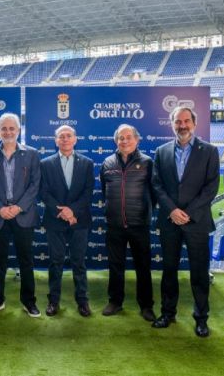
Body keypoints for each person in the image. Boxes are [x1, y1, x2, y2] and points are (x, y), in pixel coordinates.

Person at [151, 107, 220, 337]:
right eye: (177, 121)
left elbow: (211, 187)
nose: (182, 125)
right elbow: (157, 185)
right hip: (170, 221)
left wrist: (187, 212)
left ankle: (201, 318)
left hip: (196, 221)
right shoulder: (161, 152)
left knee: (199, 272)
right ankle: (168, 313)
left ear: (194, 122)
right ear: (172, 124)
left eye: (186, 121)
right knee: (169, 270)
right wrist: (172, 210)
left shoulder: (209, 151)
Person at [0, 113, 41, 317]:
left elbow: (35, 185)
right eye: (3, 129)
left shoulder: (31, 154)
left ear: (18, 130)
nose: (8, 132)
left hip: (22, 215)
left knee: (26, 260)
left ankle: (29, 301)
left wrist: (18, 207)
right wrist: (0, 208)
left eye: (11, 128)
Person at [99, 124, 155, 321]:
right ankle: (115, 302)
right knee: (115, 265)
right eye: (121, 138)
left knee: (143, 266)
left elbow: (154, 193)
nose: (124, 141)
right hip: (114, 225)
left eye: (128, 137)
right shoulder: (107, 162)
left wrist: (143, 213)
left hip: (139, 225)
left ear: (137, 140)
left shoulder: (148, 162)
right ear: (116, 141)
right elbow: (105, 190)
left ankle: (146, 305)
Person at [40, 125, 94, 317]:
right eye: (60, 136)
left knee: (79, 262)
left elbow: (88, 193)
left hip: (79, 220)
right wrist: (63, 212)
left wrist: (72, 211)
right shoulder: (45, 164)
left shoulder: (87, 163)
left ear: (75, 139)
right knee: (56, 262)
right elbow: (44, 193)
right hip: (55, 221)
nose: (64, 139)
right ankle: (53, 301)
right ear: (55, 141)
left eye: (68, 136)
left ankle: (83, 301)